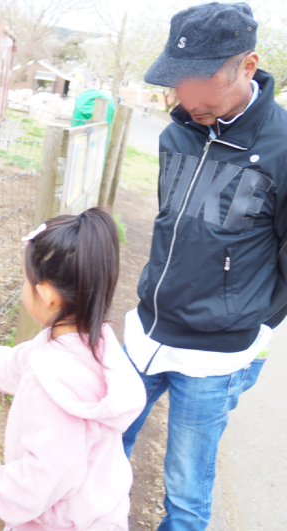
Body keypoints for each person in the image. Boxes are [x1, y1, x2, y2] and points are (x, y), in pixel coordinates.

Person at [123, 3, 287, 530]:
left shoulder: (283, 148)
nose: (185, 97)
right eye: (177, 82)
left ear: (247, 64)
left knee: (187, 492)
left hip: (217, 354)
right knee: (99, 445)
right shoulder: (176, 135)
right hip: (146, 331)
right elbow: (171, 224)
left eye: (201, 81)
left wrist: (257, 329)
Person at [0, 209, 146, 531]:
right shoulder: (93, 345)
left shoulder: (53, 382)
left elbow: (43, 475)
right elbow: (11, 366)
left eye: (25, 281)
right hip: (98, 512)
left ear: (46, 296)